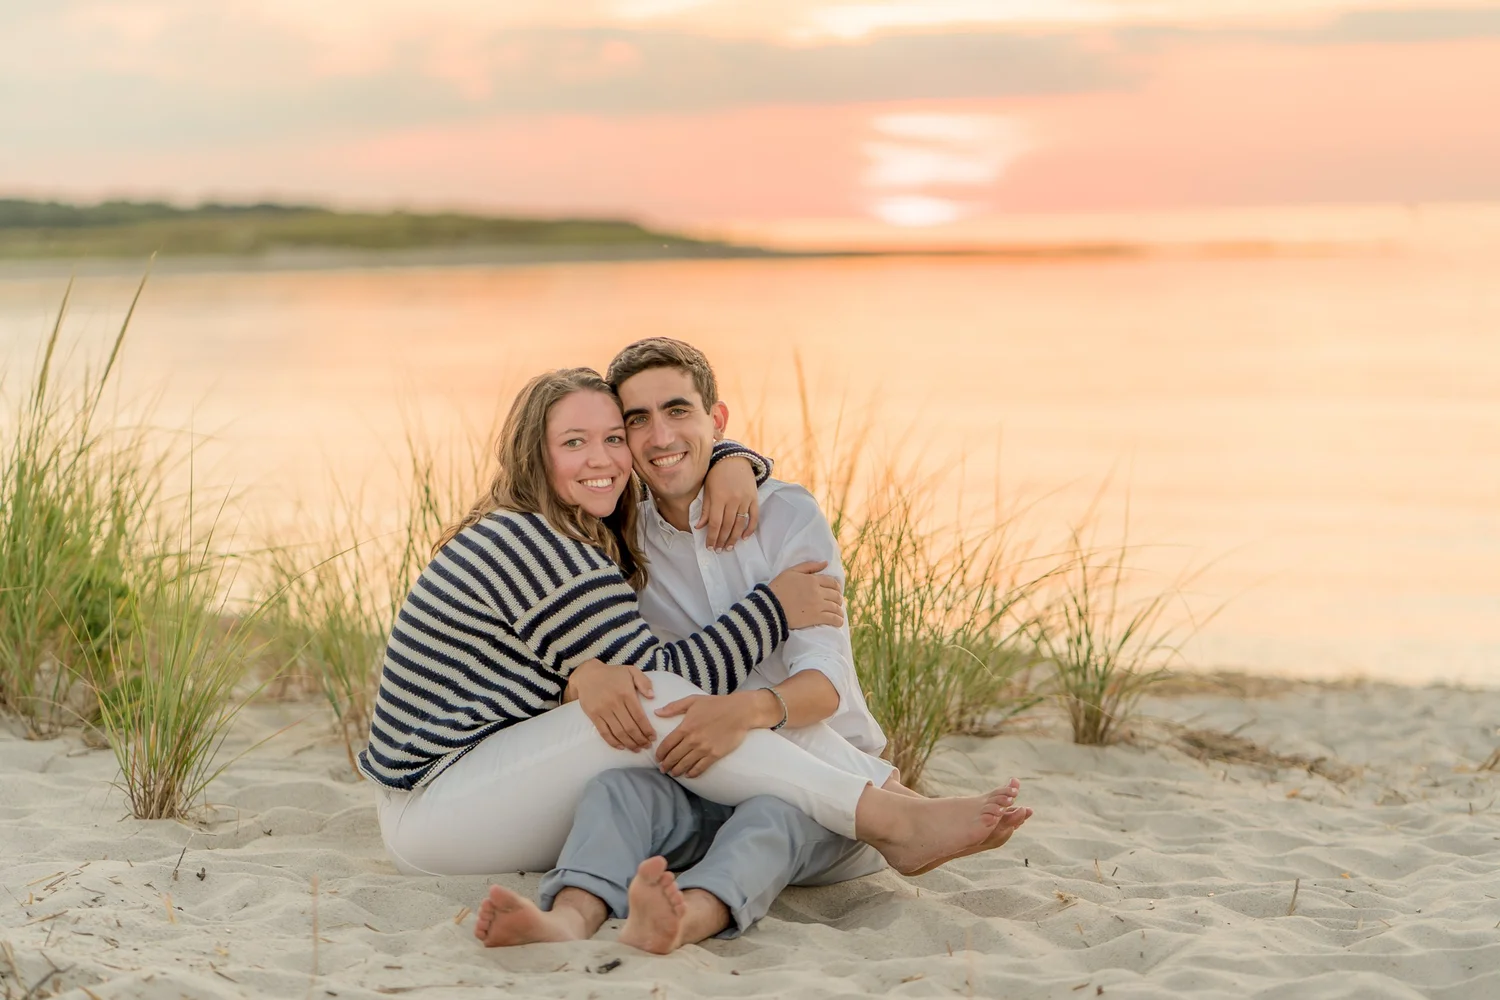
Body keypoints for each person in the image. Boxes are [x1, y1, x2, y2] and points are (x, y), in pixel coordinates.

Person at [473, 340, 1031, 952]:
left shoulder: (785, 514)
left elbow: (826, 684)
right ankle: (567, 920)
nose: (660, 436)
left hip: (827, 781)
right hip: (697, 775)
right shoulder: (621, 531)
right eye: (637, 420)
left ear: (716, 419)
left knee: (774, 814)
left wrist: (745, 711)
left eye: (678, 411)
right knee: (615, 792)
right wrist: (583, 677)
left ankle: (685, 920)